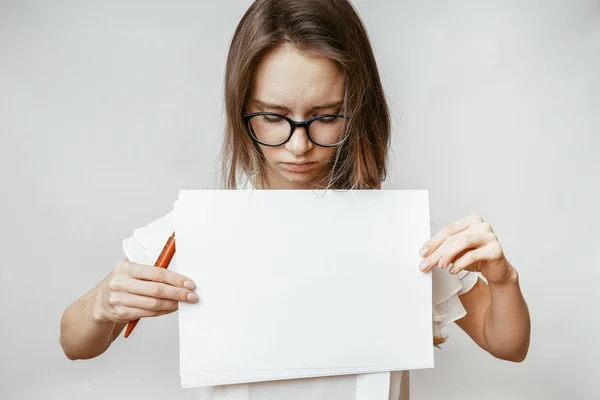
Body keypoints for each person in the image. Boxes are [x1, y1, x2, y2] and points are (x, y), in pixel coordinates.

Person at [59, 0, 530, 398]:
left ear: (359, 109)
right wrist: (104, 303)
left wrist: (503, 277)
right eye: (272, 116)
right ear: (239, 106)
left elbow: (507, 343)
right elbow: (75, 342)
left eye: (326, 116)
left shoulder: (399, 233)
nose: (298, 145)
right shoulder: (198, 229)